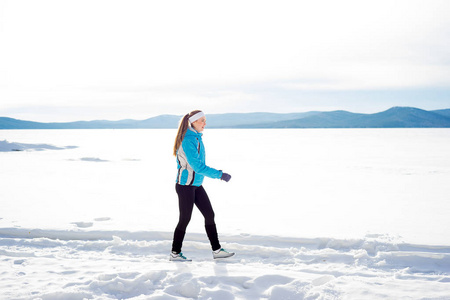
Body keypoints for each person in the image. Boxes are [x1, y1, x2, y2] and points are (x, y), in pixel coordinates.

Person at [170, 110, 234, 261]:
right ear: (192, 122)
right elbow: (198, 167)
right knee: (185, 219)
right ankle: (175, 253)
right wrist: (220, 174)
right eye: (202, 121)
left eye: (205, 120)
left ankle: (217, 250)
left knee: (209, 214)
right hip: (185, 185)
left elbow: (199, 167)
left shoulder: (196, 138)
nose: (205, 123)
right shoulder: (188, 140)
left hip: (196, 184)